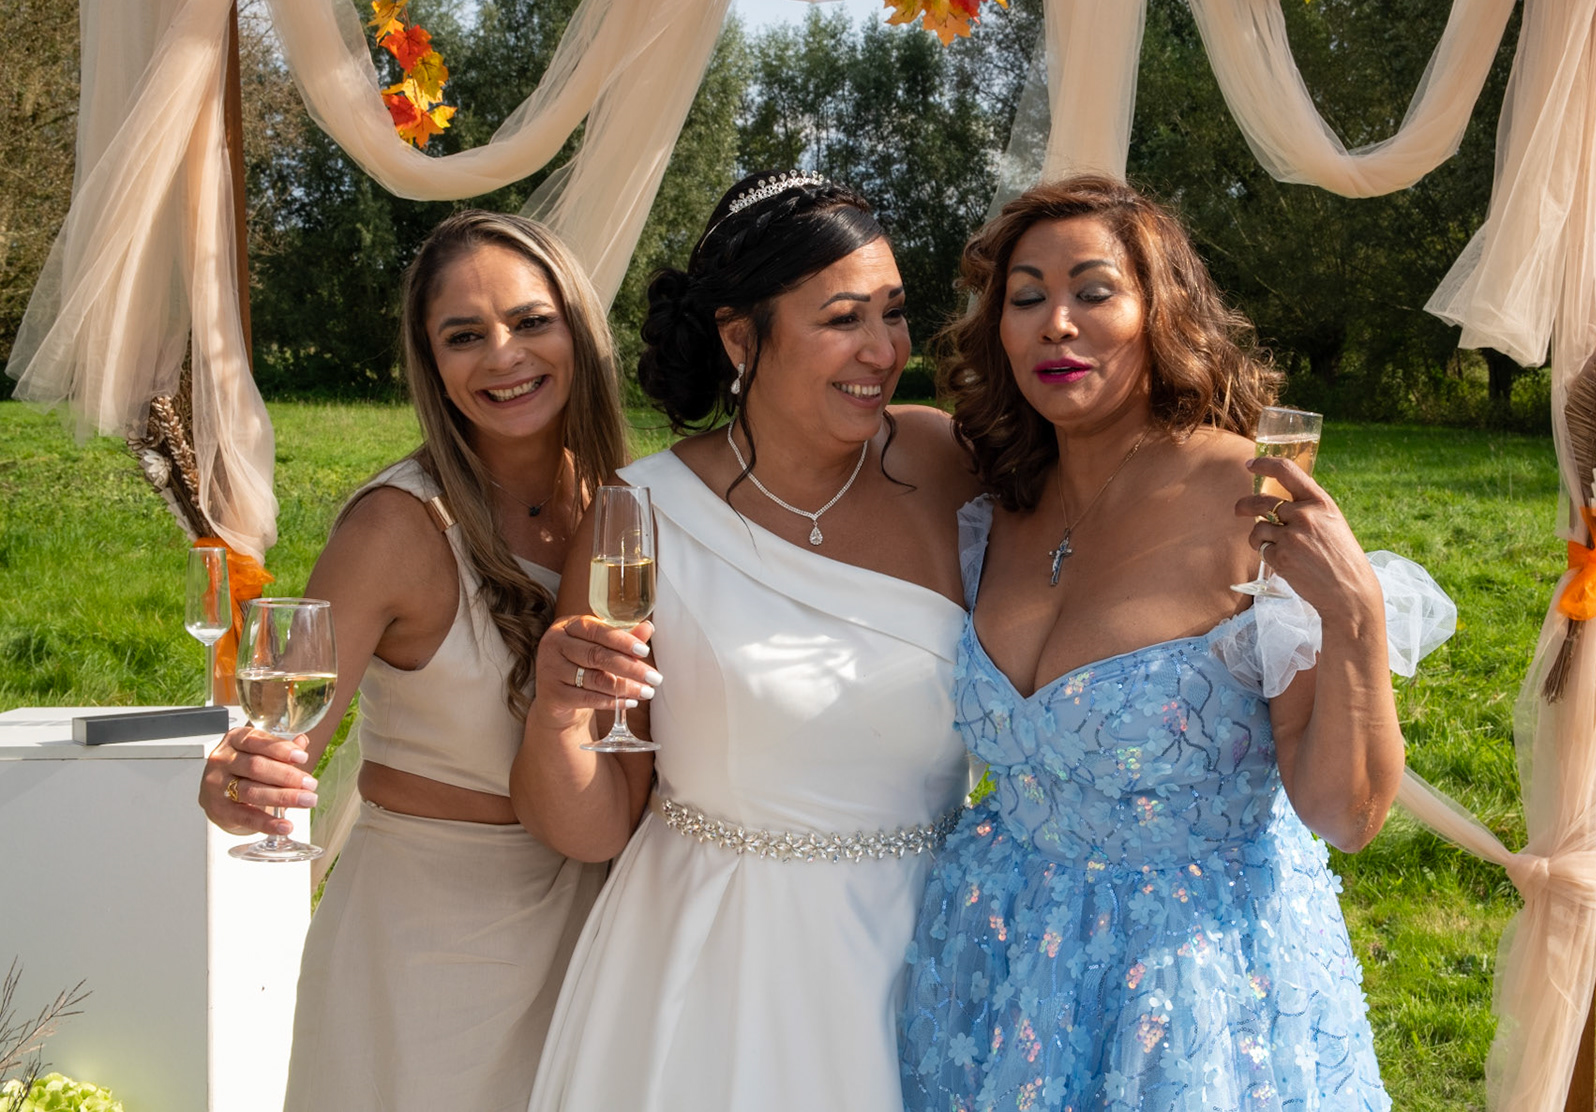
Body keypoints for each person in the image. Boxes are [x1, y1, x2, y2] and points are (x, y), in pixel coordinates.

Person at [897, 176, 1455, 1111]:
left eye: (1093, 291)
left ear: (1162, 313)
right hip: (993, 967)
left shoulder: (1252, 499)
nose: (1056, 324)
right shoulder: (994, 500)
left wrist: (1355, 619)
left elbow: (1347, 816)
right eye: (1026, 298)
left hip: (1189, 996)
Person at [515, 172, 981, 1112]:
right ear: (740, 338)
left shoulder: (947, 462)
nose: (884, 350)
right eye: (843, 319)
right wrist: (559, 716)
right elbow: (594, 827)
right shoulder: (640, 517)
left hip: (932, 944)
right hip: (719, 967)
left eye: (893, 313)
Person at [196, 211, 628, 1112]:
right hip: (431, 945)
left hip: (596, 928)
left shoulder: (621, 507)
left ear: (579, 331)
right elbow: (285, 737)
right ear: (431, 363)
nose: (504, 355)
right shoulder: (394, 527)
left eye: (531, 321)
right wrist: (240, 778)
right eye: (464, 336)